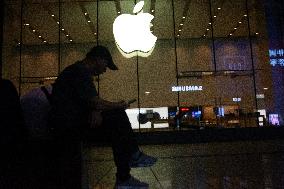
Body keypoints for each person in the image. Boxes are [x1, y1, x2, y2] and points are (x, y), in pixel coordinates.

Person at [48, 45, 157, 189]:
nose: (105, 70)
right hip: (69, 128)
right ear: (98, 59)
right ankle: (129, 164)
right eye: (106, 65)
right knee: (118, 117)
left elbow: (90, 102)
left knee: (117, 127)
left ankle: (127, 170)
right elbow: (94, 102)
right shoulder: (80, 72)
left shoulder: (78, 72)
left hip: (71, 123)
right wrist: (118, 105)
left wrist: (96, 110)